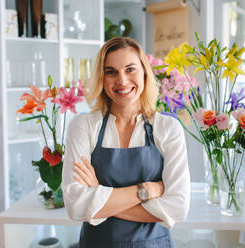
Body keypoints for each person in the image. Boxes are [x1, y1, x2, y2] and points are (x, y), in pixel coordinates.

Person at [62, 37, 190, 248]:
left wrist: (98, 193)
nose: (121, 80)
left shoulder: (168, 128)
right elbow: (76, 206)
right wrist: (147, 190)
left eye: (130, 69)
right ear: (101, 78)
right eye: (111, 72)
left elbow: (178, 208)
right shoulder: (82, 126)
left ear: (145, 73)